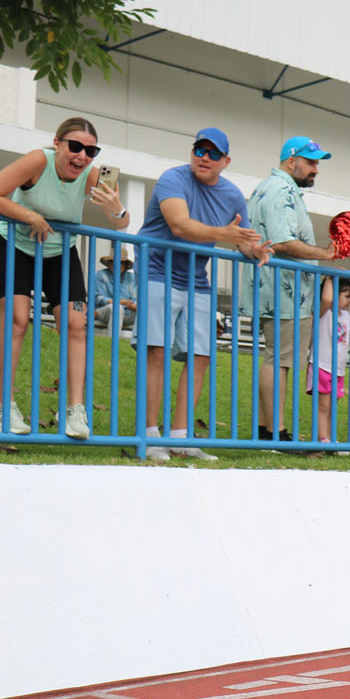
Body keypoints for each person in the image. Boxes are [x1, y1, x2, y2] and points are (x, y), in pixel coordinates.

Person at [0, 116, 130, 438]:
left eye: (90, 151)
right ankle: (1, 407)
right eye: (75, 147)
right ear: (57, 144)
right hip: (14, 245)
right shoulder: (38, 160)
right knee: (17, 319)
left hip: (59, 252)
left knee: (76, 324)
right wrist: (29, 215)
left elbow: (121, 225)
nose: (82, 156)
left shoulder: (91, 177)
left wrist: (115, 208)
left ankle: (74, 410)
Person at [135, 128, 271, 461]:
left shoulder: (234, 195)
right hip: (157, 270)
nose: (204, 158)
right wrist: (223, 234)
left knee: (201, 357)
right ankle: (150, 435)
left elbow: (243, 240)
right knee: (157, 352)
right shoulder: (173, 179)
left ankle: (181, 437)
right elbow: (180, 225)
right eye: (199, 150)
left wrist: (254, 251)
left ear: (225, 161)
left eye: (212, 153)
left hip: (197, 277)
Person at [242, 135, 342, 443]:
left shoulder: (272, 188)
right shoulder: (281, 189)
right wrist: (325, 254)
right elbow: (283, 242)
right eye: (311, 162)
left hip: (278, 289)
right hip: (284, 291)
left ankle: (266, 429)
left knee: (277, 357)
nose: (315, 169)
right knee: (280, 360)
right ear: (291, 161)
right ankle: (277, 432)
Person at [308, 277, 350, 445]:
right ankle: (322, 438)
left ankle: (329, 438)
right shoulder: (323, 312)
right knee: (323, 406)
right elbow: (327, 299)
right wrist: (330, 277)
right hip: (321, 365)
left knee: (332, 408)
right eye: (347, 296)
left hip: (338, 369)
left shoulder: (347, 316)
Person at [93, 253, 137, 330]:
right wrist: (122, 303)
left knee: (147, 311)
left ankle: (140, 341)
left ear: (125, 265)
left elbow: (135, 299)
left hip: (128, 312)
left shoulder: (132, 277)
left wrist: (133, 305)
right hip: (104, 311)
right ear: (109, 263)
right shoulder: (100, 275)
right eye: (113, 262)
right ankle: (113, 341)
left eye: (121, 263)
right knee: (117, 309)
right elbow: (99, 298)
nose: (117, 265)